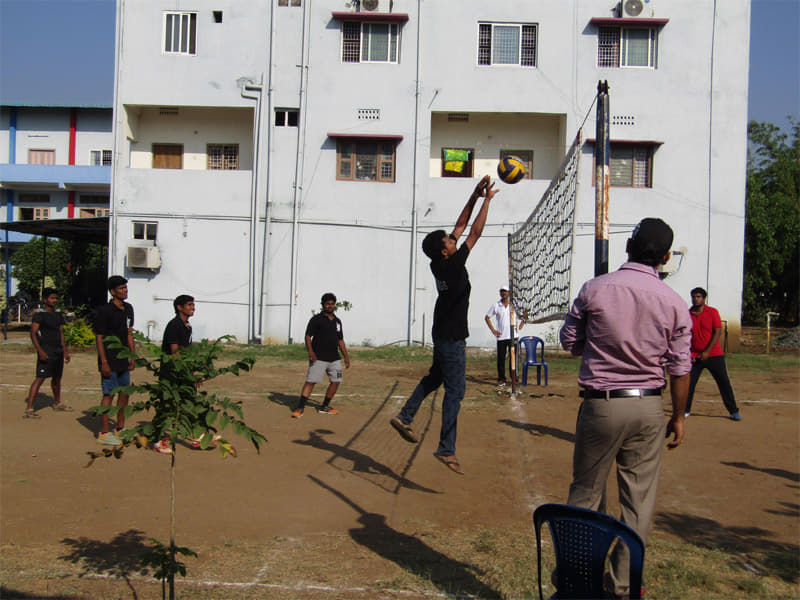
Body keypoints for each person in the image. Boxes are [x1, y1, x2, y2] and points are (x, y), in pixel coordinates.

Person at [559, 218, 691, 599]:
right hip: (649, 406)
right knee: (638, 503)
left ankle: (579, 581)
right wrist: (678, 416)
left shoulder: (594, 289)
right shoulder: (674, 302)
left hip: (601, 404)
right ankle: (622, 585)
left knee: (585, 495)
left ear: (628, 246)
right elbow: (680, 367)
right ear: (666, 257)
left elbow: (571, 340)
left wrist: (598, 347)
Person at [390, 174, 499, 475]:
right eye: (450, 240)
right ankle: (446, 448)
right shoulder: (452, 265)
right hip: (450, 337)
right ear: (445, 250)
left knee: (435, 378)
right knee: (455, 391)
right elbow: (474, 232)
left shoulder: (439, 260)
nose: (454, 238)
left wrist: (475, 195)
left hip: (442, 333)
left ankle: (404, 416)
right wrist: (488, 201)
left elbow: (461, 226)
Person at [686, 287, 741, 420]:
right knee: (688, 384)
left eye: (698, 296)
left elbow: (717, 332)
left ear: (704, 299)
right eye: (694, 296)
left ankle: (733, 411)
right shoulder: (688, 314)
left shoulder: (712, 312)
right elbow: (685, 334)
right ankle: (685, 410)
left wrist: (707, 351)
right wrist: (688, 354)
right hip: (694, 356)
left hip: (714, 355)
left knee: (723, 382)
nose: (696, 299)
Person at [293, 292, 351, 418]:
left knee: (336, 381)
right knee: (311, 382)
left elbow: (340, 340)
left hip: (335, 359)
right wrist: (311, 352)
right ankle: (300, 407)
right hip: (319, 358)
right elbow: (308, 336)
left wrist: (346, 357)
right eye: (327, 304)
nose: (330, 306)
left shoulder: (337, 321)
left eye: (332, 304)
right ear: (323, 305)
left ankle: (324, 406)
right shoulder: (316, 320)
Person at [93, 275, 135, 445]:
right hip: (109, 359)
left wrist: (132, 355)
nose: (125, 291)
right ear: (112, 291)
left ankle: (120, 428)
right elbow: (99, 337)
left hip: (123, 358)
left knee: (124, 393)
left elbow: (129, 333)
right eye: (121, 288)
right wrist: (103, 362)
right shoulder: (104, 311)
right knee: (109, 394)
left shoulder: (129, 308)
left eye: (125, 287)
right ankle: (104, 433)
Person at [153, 294, 196, 454]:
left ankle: (192, 435)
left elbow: (187, 351)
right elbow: (175, 352)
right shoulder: (174, 325)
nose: (193, 308)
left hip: (182, 371)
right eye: (189, 305)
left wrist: (192, 370)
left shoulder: (187, 326)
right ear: (180, 307)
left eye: (193, 305)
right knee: (167, 406)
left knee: (187, 403)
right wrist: (185, 372)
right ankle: (158, 440)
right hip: (171, 373)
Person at [24, 288, 72, 418]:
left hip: (58, 351)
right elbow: (33, 333)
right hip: (46, 350)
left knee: (57, 379)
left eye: (55, 298)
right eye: (51, 298)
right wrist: (40, 351)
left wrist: (65, 351)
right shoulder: (39, 315)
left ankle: (57, 403)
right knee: (40, 379)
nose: (54, 300)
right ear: (45, 300)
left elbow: (60, 333)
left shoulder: (58, 315)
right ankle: (29, 409)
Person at [484, 285, 523, 386]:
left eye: (505, 291)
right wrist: (493, 330)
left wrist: (521, 325)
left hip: (513, 336)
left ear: (509, 293)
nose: (503, 293)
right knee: (501, 359)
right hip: (501, 336)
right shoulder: (496, 305)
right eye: (502, 291)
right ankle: (501, 379)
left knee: (513, 358)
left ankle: (514, 377)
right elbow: (487, 317)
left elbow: (525, 314)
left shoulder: (514, 305)